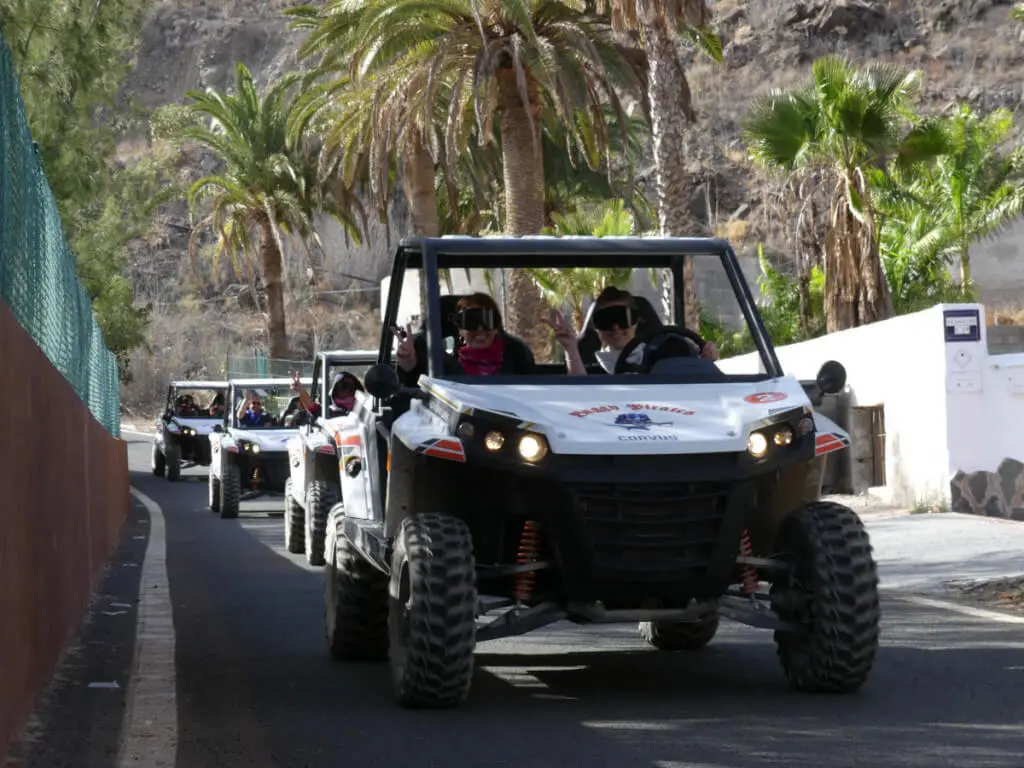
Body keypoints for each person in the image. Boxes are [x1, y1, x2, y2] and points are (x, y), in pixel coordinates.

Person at [548, 286, 719, 375]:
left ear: (636, 321)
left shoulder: (668, 350)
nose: (615, 327)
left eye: (623, 319)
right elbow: (578, 395)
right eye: (606, 320)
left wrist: (706, 361)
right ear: (597, 327)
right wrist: (571, 348)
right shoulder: (588, 363)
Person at [395, 293, 536, 383]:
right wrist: (410, 365)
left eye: (488, 321)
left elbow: (537, 395)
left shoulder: (517, 358)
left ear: (497, 327)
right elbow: (413, 389)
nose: (480, 329)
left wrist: (559, 341)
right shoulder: (440, 367)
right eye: (471, 321)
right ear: (460, 330)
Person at [290, 370, 364, 418]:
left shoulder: (366, 409)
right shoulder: (333, 413)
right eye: (343, 386)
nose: (347, 389)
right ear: (335, 390)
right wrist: (301, 391)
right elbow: (312, 407)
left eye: (350, 386)